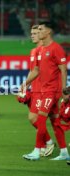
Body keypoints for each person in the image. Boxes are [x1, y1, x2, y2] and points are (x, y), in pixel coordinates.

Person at [21, 21, 69, 161]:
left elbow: (63, 69)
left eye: (40, 29)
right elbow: (36, 70)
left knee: (40, 119)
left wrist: (64, 90)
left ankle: (37, 150)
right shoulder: (41, 50)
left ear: (48, 32)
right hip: (44, 90)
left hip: (52, 91)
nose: (38, 31)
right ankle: (64, 152)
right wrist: (25, 84)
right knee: (55, 122)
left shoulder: (56, 48)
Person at [18, 25, 55, 157]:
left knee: (37, 118)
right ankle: (49, 143)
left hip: (44, 90)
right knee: (39, 119)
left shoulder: (44, 50)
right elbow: (33, 70)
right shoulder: (34, 51)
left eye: (35, 33)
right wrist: (26, 86)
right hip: (36, 89)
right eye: (31, 33)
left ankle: (45, 145)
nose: (32, 35)